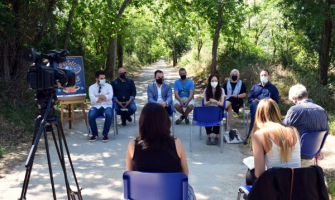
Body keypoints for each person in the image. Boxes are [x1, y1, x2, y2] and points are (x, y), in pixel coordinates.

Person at [126, 103, 196, 200]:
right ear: (165, 121)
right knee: (189, 190)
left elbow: (131, 175)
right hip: (172, 195)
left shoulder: (132, 145)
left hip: (143, 195)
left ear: (142, 122)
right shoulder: (176, 143)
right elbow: (185, 174)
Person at [246, 99, 301, 185]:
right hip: (296, 184)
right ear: (277, 112)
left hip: (275, 185)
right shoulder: (294, 131)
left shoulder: (260, 134)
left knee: (250, 173)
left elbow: (259, 174)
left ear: (259, 114)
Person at [247, 69, 279, 135]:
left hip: (268, 108)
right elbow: (249, 98)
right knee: (253, 106)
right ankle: (251, 135)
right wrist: (255, 100)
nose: (263, 76)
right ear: (260, 76)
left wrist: (265, 102)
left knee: (260, 112)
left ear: (269, 76)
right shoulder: (255, 87)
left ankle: (263, 135)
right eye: (262, 75)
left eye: (265, 75)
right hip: (256, 107)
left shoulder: (273, 88)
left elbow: (276, 101)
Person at [88, 70, 113, 142]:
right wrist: (103, 98)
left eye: (104, 78)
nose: (103, 80)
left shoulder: (109, 86)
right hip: (96, 106)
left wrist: (99, 97)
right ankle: (94, 134)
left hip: (107, 105)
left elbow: (110, 96)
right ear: (97, 79)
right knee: (91, 115)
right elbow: (92, 98)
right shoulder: (91, 87)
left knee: (109, 114)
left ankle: (105, 134)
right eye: (101, 78)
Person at [203, 75, 226, 145]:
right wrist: (210, 101)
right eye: (212, 81)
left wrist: (215, 101)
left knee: (218, 115)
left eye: (216, 81)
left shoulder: (221, 90)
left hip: (217, 108)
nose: (214, 82)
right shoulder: (206, 90)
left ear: (218, 81)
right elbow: (205, 103)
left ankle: (217, 136)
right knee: (207, 116)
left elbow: (222, 104)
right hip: (209, 109)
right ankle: (208, 136)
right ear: (209, 82)